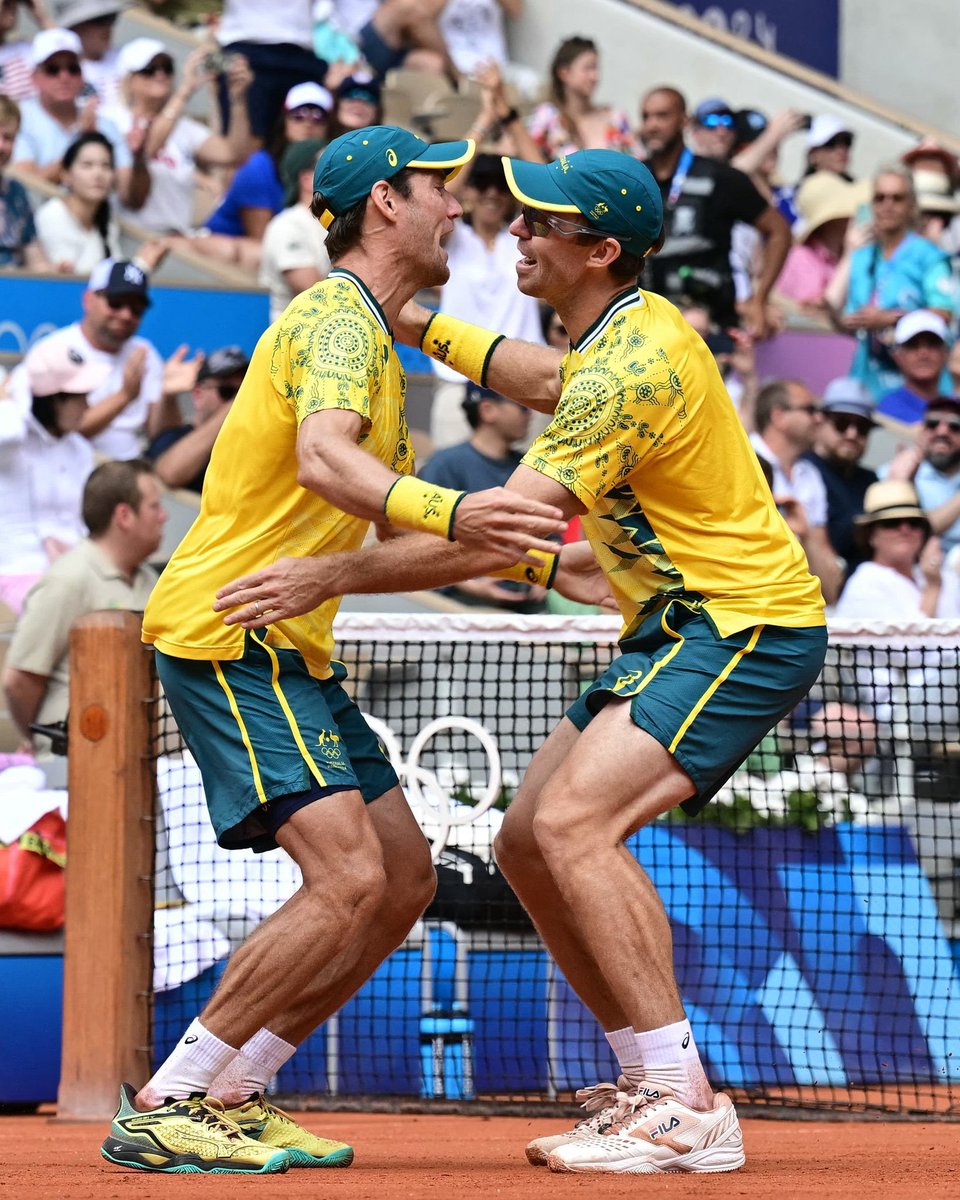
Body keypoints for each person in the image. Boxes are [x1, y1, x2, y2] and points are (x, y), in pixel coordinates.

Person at [213, 146, 827, 1175]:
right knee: (527, 843)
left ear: (603, 251)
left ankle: (684, 1103)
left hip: (742, 626)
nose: (519, 230)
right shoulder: (616, 332)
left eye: (544, 222)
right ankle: (644, 1082)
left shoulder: (628, 368)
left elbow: (495, 530)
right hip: (673, 628)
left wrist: (331, 574)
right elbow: (538, 376)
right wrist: (412, 320)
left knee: (575, 827)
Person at [108, 125, 565, 1175]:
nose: (459, 206)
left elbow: (376, 547)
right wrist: (458, 512)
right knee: (349, 876)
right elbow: (325, 461)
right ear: (385, 205)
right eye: (438, 189)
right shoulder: (336, 321)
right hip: (233, 633)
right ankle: (172, 1100)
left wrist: (537, 559)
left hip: (294, 647)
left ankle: (238, 1089)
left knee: (402, 880)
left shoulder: (371, 335)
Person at [2, 459, 165, 754]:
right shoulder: (68, 579)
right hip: (79, 755)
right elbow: (19, 681)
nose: (164, 516)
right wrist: (46, 743)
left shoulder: (148, 579)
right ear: (124, 516)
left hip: (141, 751)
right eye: (154, 507)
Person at [638, 85, 790, 338]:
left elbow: (779, 231)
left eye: (662, 116)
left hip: (712, 329)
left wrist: (759, 299)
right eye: (646, 117)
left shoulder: (721, 177)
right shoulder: (634, 179)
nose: (652, 125)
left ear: (684, 121)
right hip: (648, 327)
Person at [6, 258, 187, 460]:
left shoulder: (146, 353)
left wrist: (168, 397)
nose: (126, 315)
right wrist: (125, 396)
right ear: (88, 299)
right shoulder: (55, 352)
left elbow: (161, 439)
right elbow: (60, 432)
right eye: (115, 303)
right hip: (73, 463)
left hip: (133, 463)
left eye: (136, 309)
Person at [429, 151, 545, 448]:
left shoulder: (524, 240)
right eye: (482, 182)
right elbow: (434, 201)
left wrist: (512, 125)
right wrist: (478, 135)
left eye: (501, 185)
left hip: (522, 381)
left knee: (530, 477)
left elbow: (545, 187)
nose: (492, 192)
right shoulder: (453, 237)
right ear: (468, 190)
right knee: (453, 476)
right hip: (458, 378)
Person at [827, 163, 956, 399]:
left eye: (897, 198)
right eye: (880, 198)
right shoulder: (862, 256)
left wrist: (888, 319)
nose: (888, 205)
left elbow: (944, 313)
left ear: (911, 205)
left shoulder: (928, 256)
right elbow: (846, 320)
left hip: (921, 386)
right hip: (867, 382)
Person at [102, 38, 255, 236]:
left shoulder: (183, 126)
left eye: (167, 68)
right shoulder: (111, 118)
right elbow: (147, 148)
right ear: (128, 78)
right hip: (130, 233)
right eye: (149, 69)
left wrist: (238, 99)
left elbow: (233, 154)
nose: (160, 74)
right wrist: (185, 91)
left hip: (174, 236)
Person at [0, 335, 105, 614]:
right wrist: (11, 394)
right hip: (16, 575)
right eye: (81, 397)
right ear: (54, 400)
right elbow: (8, 432)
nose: (88, 406)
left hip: (73, 574)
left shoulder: (79, 448)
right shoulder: (11, 441)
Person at [420, 382, 543, 609]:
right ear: (488, 410)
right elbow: (419, 542)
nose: (531, 414)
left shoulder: (529, 466)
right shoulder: (445, 465)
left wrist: (547, 575)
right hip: (456, 608)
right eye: (523, 406)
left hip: (529, 606)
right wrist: (470, 585)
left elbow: (548, 531)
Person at [196, 80, 332, 271]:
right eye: (299, 114)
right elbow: (265, 242)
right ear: (284, 120)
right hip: (214, 262)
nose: (308, 123)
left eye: (318, 116)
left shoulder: (328, 168)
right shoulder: (258, 167)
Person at [12, 28, 148, 211]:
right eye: (53, 69)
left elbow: (132, 199)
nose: (64, 77)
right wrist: (80, 141)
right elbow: (26, 186)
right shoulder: (18, 118)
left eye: (73, 68)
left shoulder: (106, 125)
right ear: (34, 77)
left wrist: (139, 159)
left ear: (83, 75)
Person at [749, 379, 843, 604]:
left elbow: (829, 588)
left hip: (797, 600)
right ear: (779, 416)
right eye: (809, 410)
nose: (819, 418)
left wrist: (805, 535)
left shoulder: (810, 474)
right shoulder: (743, 458)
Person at [834, 480, 960, 619]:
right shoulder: (865, 583)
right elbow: (910, 633)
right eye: (892, 523)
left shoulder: (946, 578)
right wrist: (932, 588)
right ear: (871, 535)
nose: (905, 530)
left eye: (913, 522)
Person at [801, 376, 878, 576]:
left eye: (862, 428)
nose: (852, 434)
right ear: (820, 421)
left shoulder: (870, 480)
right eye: (842, 423)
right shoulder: (801, 470)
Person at [146, 344, 249, 492]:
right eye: (227, 391)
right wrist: (232, 407)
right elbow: (169, 473)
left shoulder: (248, 448)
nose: (240, 400)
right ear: (198, 394)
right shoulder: (175, 437)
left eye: (245, 392)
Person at [526, 36, 636, 162]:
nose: (595, 76)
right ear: (564, 73)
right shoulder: (548, 116)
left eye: (596, 68)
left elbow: (637, 163)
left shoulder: (616, 117)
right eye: (587, 68)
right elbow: (529, 161)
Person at [258, 137, 330, 322]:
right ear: (306, 179)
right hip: (295, 335)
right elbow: (317, 294)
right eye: (329, 168)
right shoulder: (286, 226)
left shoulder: (338, 222)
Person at [773, 170, 861, 318]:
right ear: (831, 220)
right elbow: (819, 313)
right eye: (847, 212)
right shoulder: (799, 258)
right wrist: (849, 255)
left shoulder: (854, 256)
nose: (855, 217)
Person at [882, 396, 960, 557]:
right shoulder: (895, 473)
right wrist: (904, 484)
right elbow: (913, 531)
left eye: (954, 426)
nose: (942, 431)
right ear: (921, 430)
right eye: (933, 424)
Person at [34, 130, 122, 272]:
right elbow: (72, 277)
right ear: (66, 174)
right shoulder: (53, 215)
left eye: (106, 165)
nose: (98, 174)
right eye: (87, 165)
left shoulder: (108, 221)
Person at [875, 309, 954, 428]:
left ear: (946, 354)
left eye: (932, 344)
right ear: (898, 356)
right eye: (913, 345)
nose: (923, 353)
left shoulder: (955, 409)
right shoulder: (885, 411)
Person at [0, 94, 53, 270]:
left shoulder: (16, 192)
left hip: (14, 284)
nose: (1, 146)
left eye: (8, 138)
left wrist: (56, 273)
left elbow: (34, 256)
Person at [51, 0, 129, 109]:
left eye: (111, 18)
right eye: (99, 20)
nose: (108, 27)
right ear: (75, 26)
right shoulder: (59, 72)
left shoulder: (129, 59)